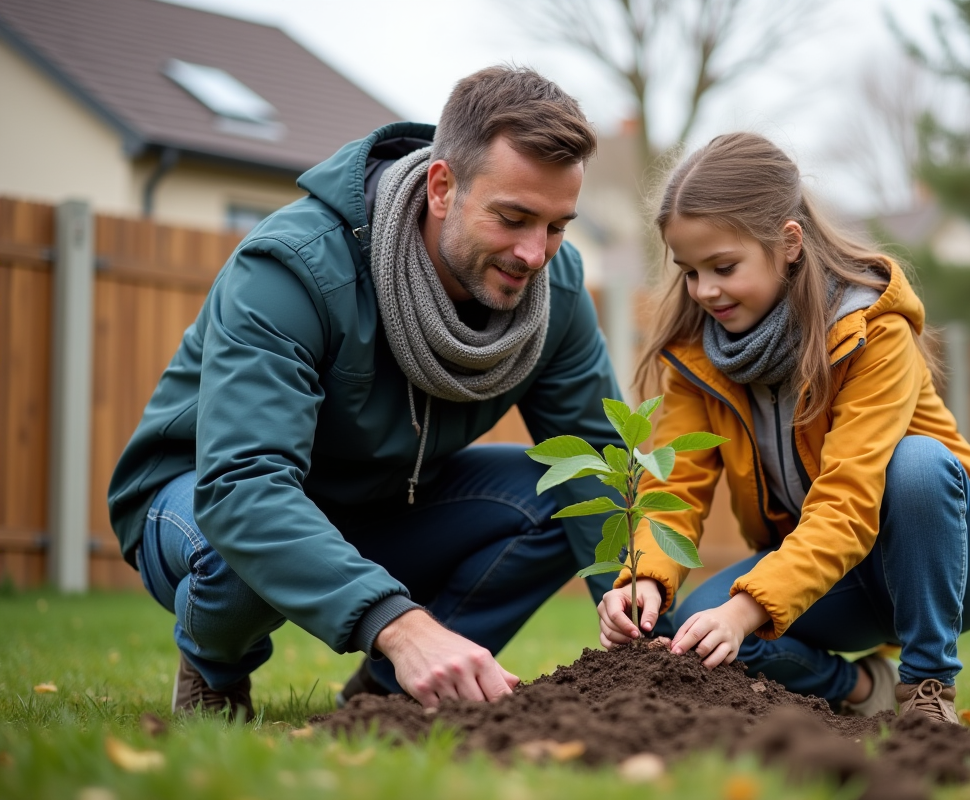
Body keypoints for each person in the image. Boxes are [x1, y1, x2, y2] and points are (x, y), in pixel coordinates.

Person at [108, 66, 626, 717]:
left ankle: (393, 694)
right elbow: (244, 487)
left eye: (556, 226)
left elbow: (596, 456)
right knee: (247, 537)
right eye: (513, 217)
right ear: (443, 187)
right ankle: (215, 667)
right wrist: (402, 625)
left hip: (378, 503)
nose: (534, 253)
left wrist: (631, 595)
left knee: (562, 495)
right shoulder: (295, 266)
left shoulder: (558, 290)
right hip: (198, 499)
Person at [596, 132, 970, 724]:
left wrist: (748, 609)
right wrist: (646, 577)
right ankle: (858, 688)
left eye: (723, 267)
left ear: (788, 244)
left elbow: (848, 503)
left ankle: (927, 690)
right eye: (690, 271)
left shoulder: (871, 331)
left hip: (950, 561)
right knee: (694, 633)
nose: (705, 291)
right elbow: (676, 485)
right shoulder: (698, 355)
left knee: (918, 466)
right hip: (828, 572)